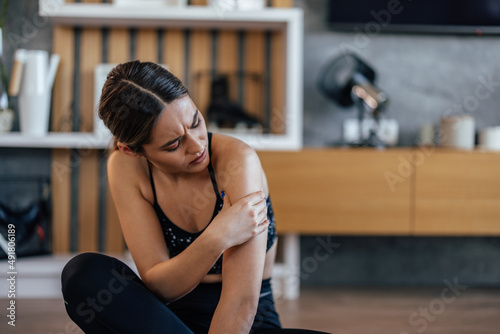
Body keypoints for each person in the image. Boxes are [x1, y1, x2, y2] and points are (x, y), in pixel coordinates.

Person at [61, 60, 330, 334]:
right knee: (83, 275)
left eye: (196, 122)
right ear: (132, 150)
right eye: (174, 144)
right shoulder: (124, 166)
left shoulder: (238, 161)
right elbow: (160, 287)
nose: (198, 146)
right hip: (169, 322)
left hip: (248, 322)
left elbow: (241, 301)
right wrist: (218, 236)